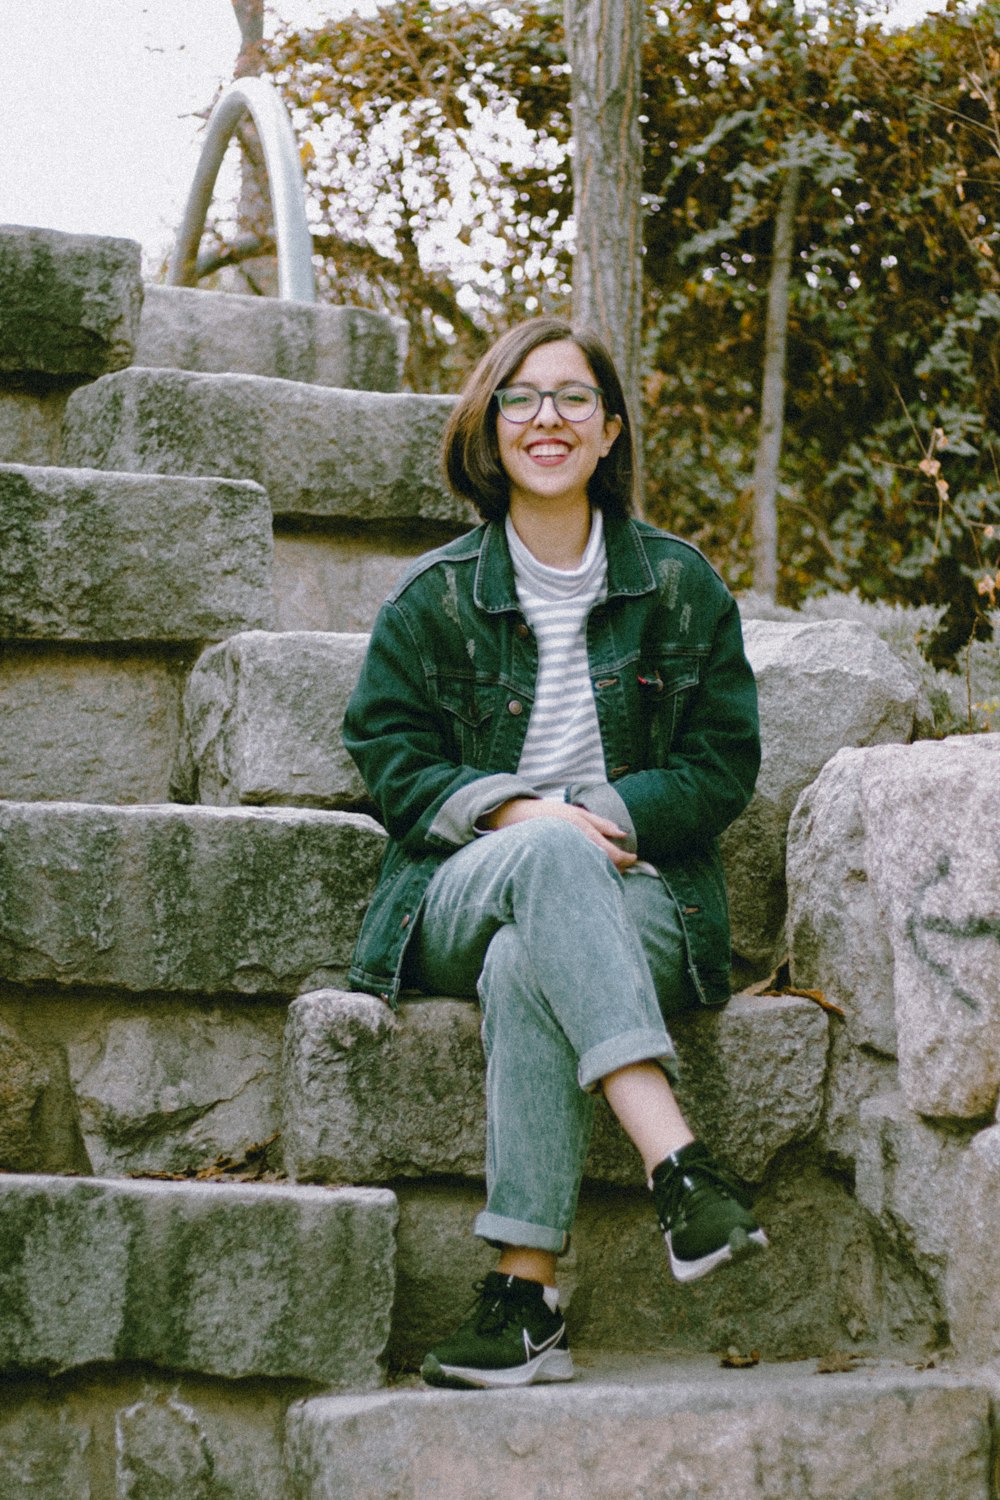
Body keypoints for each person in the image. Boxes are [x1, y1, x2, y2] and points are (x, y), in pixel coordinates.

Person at [342, 316, 765, 1391]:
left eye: (574, 398)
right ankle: (677, 1160)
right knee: (545, 863)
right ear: (490, 427)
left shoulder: (678, 585)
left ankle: (524, 1294)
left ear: (610, 430)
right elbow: (390, 761)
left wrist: (606, 812)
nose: (548, 418)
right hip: (459, 885)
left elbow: (721, 763)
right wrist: (526, 815)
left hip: (639, 898)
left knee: (529, 960)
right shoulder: (431, 598)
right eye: (522, 398)